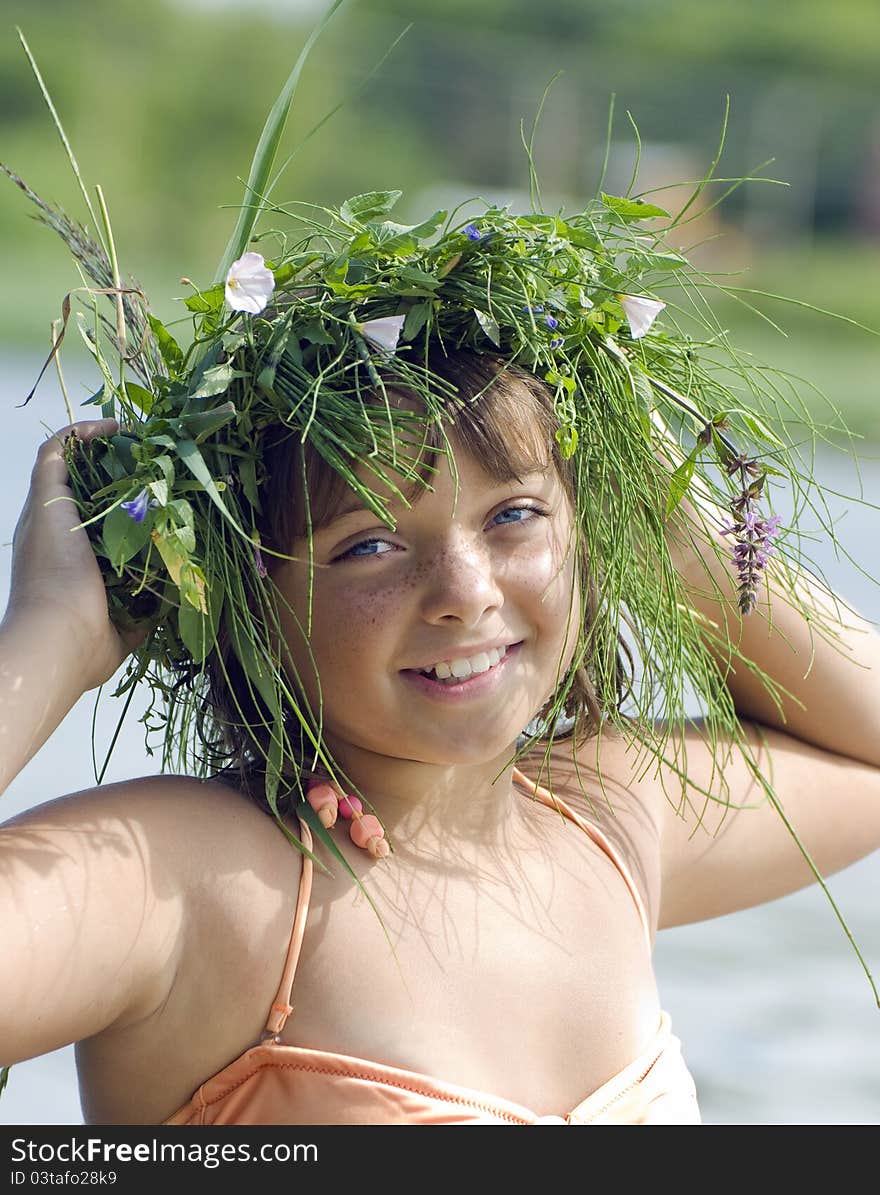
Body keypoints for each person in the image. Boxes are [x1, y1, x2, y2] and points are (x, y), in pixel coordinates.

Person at [2, 16, 879, 1124]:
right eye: (366, 543)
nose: (464, 587)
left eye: (512, 516)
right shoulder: (188, 881)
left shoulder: (602, 820)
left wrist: (665, 512)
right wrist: (52, 638)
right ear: (244, 600)